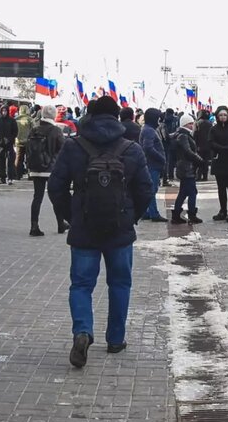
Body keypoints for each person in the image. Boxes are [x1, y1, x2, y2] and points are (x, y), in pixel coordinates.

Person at [47, 96, 152, 368]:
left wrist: (72, 216)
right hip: (120, 231)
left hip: (84, 229)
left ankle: (83, 331)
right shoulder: (131, 148)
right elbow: (145, 189)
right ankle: (115, 339)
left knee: (81, 284)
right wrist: (130, 217)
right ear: (117, 117)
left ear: (90, 116)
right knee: (120, 283)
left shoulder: (73, 146)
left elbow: (55, 187)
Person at [26, 106, 68, 236]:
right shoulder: (56, 130)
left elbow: (28, 148)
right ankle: (60, 223)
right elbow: (63, 149)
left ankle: (34, 226)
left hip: (35, 168)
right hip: (51, 168)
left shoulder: (34, 130)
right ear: (53, 115)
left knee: (37, 197)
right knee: (56, 197)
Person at [170, 114, 205, 225]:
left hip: (184, 167)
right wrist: (200, 160)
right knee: (192, 192)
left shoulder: (181, 134)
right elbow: (188, 151)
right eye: (190, 123)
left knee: (183, 192)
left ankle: (176, 215)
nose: (192, 125)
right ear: (184, 124)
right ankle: (191, 215)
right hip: (186, 168)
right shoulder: (183, 136)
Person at [139, 108, 169, 222]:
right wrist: (161, 158)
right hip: (152, 165)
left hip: (152, 164)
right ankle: (154, 213)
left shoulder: (148, 129)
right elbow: (148, 147)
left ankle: (147, 211)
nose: (160, 121)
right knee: (152, 190)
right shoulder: (149, 131)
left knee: (151, 189)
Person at [0, 105, 18, 185]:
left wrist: (11, 139)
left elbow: (15, 131)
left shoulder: (12, 120)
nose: (4, 112)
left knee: (10, 162)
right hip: (0, 144)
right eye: (2, 111)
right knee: (1, 162)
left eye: (5, 111)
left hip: (9, 143)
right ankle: (2, 177)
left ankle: (10, 178)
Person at [14, 104, 34, 179]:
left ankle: (17, 174)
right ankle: (30, 175)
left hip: (18, 141)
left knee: (18, 158)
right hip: (28, 141)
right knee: (29, 159)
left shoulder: (16, 119)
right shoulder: (30, 119)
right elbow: (34, 129)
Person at [194, 110, 212, 181]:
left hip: (199, 146)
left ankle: (198, 176)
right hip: (208, 146)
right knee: (206, 162)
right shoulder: (209, 123)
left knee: (199, 161)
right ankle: (205, 176)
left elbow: (194, 134)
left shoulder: (197, 123)